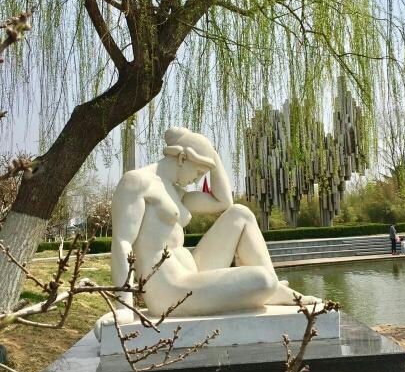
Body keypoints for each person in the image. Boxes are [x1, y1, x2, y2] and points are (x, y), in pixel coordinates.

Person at [105, 127, 320, 322]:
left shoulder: (176, 192)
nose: (197, 180)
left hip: (193, 276)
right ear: (182, 158)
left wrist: (212, 154)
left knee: (240, 214)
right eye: (199, 172)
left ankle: (274, 289)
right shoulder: (137, 181)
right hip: (169, 291)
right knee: (264, 280)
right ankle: (270, 287)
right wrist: (124, 306)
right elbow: (122, 242)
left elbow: (223, 202)